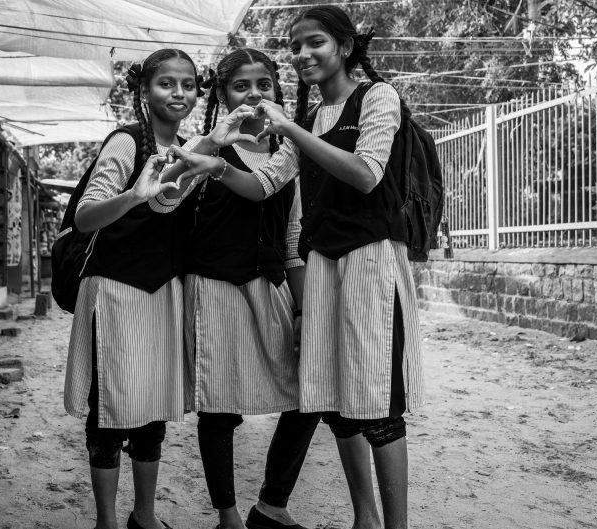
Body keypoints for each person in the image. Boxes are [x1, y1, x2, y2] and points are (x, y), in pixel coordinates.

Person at [166, 7, 425, 529]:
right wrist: (216, 164)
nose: (304, 55)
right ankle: (365, 519)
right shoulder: (305, 124)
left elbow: (367, 174)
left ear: (345, 47)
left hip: (371, 262)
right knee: (337, 402)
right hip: (324, 266)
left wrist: (288, 129)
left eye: (316, 43)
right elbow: (264, 185)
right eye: (297, 47)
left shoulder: (376, 97)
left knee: (379, 405)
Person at [151, 48, 321, 529]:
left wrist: (303, 310)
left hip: (271, 287)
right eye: (240, 86)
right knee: (219, 410)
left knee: (310, 395)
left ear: (277, 91)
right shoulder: (205, 147)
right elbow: (162, 200)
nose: (254, 94)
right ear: (223, 95)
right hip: (215, 289)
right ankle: (228, 518)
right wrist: (208, 147)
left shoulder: (289, 153)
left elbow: (292, 238)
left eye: (263, 84)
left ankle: (271, 505)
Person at [63, 48, 203, 529]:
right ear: (144, 90)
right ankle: (105, 521)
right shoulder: (126, 143)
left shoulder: (189, 149)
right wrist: (134, 195)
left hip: (163, 293)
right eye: (166, 83)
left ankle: (144, 516)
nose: (178, 93)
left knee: (152, 410)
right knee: (109, 411)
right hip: (115, 292)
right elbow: (86, 217)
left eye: (188, 84)